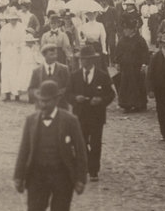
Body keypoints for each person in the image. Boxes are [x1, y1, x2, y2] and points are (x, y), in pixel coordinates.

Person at [13, 79, 88, 211]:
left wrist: (80, 178)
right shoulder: (31, 121)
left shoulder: (70, 120)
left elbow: (80, 151)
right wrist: (19, 176)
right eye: (40, 100)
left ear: (56, 100)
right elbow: (24, 149)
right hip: (37, 175)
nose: (43, 104)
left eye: (47, 101)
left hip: (62, 176)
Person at [68, 45, 115, 182]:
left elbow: (111, 94)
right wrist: (75, 99)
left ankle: (94, 170)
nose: (84, 62)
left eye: (87, 59)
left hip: (96, 116)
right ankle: (87, 163)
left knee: (96, 143)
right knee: (81, 142)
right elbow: (67, 94)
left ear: (93, 60)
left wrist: (101, 100)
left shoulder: (102, 76)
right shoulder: (74, 76)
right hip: (80, 115)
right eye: (82, 59)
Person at [112, 22, 148, 112]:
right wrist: (117, 62)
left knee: (137, 85)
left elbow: (145, 53)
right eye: (124, 29)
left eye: (126, 29)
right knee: (125, 85)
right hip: (125, 68)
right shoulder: (122, 40)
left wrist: (144, 64)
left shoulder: (140, 40)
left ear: (132, 30)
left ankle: (139, 104)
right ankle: (126, 105)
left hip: (136, 67)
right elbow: (118, 52)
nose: (124, 31)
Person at [28, 43, 70, 109]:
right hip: (42, 108)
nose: (55, 56)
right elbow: (31, 89)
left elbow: (69, 87)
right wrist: (38, 93)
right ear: (44, 55)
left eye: (56, 54)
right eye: (51, 54)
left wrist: (58, 93)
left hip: (60, 107)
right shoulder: (37, 71)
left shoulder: (64, 69)